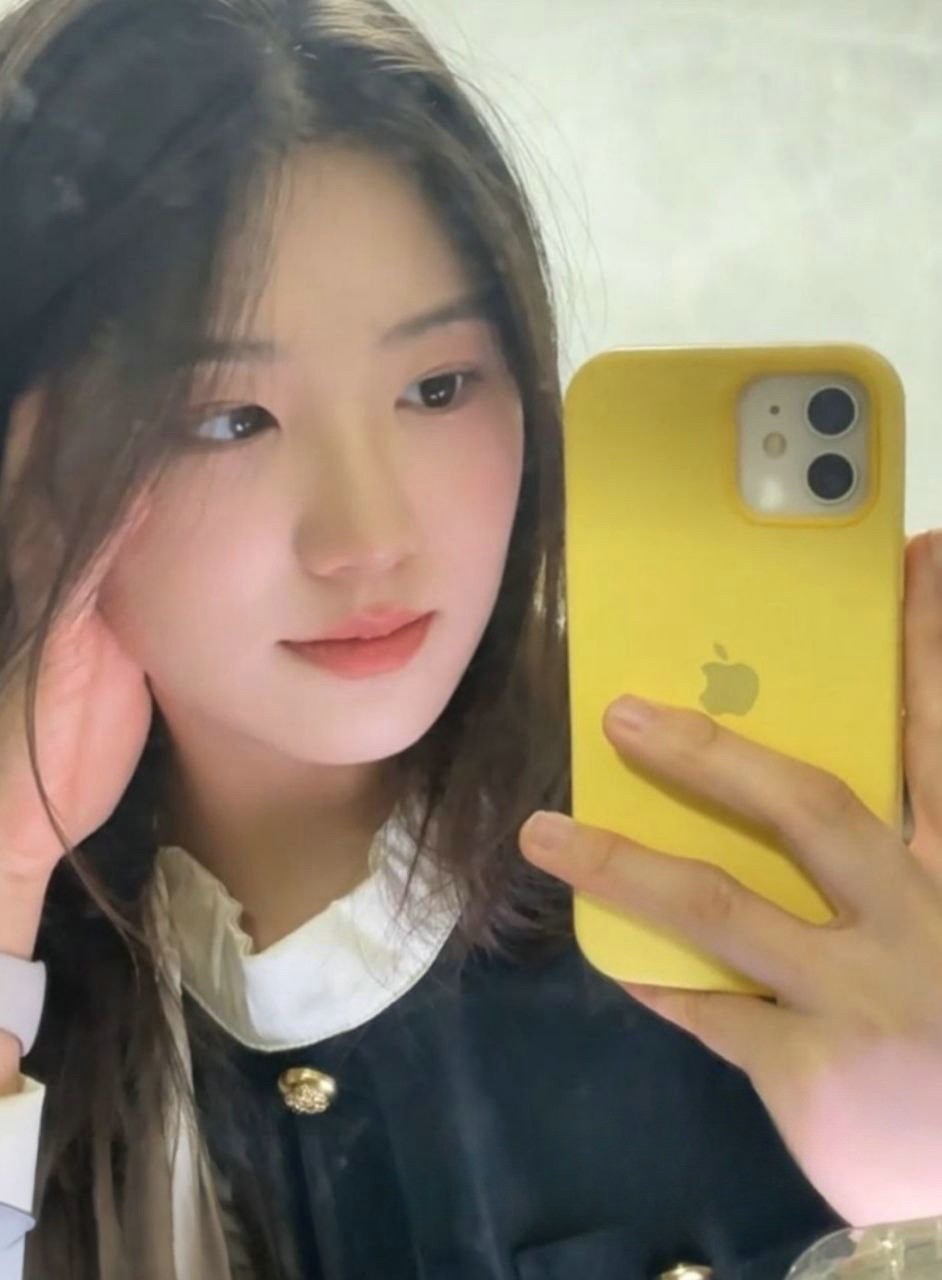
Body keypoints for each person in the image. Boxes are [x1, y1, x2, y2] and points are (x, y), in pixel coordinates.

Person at [0, 0, 939, 1276]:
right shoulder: (43, 926)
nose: (368, 536)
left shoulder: (798, 909)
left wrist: (917, 1207)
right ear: (30, 468)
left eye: (437, 387)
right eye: (227, 419)